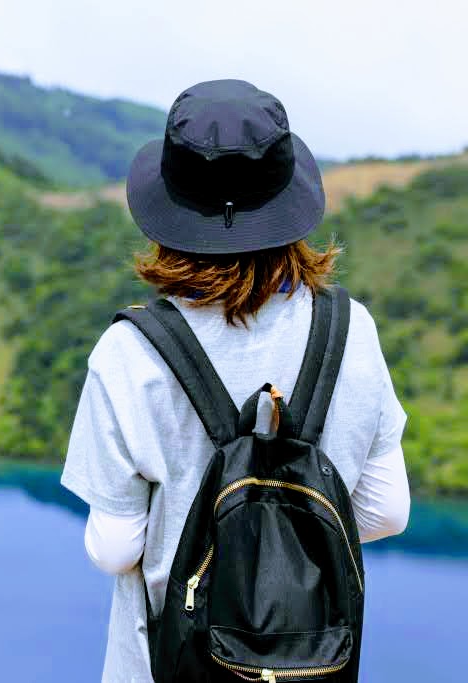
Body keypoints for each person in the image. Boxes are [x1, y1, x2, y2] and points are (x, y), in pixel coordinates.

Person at [60, 80, 410, 683]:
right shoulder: (351, 330)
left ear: (167, 210)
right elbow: (385, 514)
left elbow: (115, 548)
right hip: (309, 666)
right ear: (288, 197)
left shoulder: (130, 352)